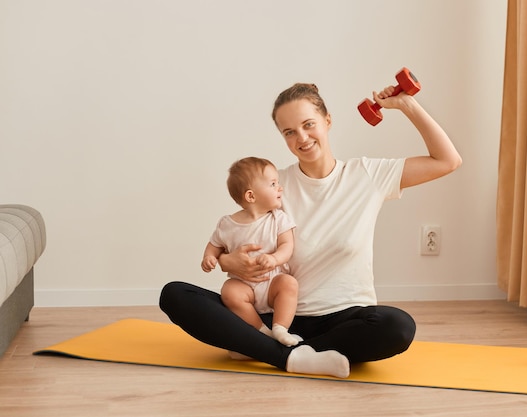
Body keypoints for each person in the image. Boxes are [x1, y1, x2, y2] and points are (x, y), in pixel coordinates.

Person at [160, 80, 462, 379]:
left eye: (308, 124)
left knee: (398, 326)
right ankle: (294, 353)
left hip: (344, 319)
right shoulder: (273, 185)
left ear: (327, 121)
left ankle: (271, 352)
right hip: (276, 318)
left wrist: (406, 105)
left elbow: (447, 160)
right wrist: (227, 261)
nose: (301, 138)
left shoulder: (367, 175)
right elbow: (229, 238)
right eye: (289, 132)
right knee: (175, 295)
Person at [200, 157, 300, 347]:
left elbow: (287, 246)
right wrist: (209, 257)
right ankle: (261, 330)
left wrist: (274, 258)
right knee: (229, 291)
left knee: (289, 283)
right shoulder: (227, 224)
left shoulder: (278, 219)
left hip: (272, 283)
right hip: (245, 286)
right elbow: (214, 245)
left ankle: (280, 328)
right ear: (251, 196)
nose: (280, 188)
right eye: (273, 184)